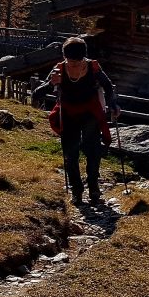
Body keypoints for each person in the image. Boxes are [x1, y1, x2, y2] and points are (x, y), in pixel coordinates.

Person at [38, 37, 119, 204]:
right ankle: (76, 191)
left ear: (84, 58)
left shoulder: (93, 67)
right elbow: (36, 94)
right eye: (70, 62)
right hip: (68, 114)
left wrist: (113, 104)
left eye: (78, 62)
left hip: (90, 113)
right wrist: (51, 84)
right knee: (70, 153)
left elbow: (108, 86)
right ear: (65, 57)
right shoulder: (59, 70)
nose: (74, 65)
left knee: (93, 151)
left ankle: (94, 188)